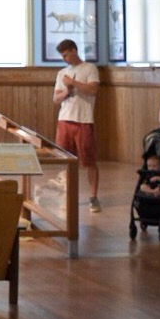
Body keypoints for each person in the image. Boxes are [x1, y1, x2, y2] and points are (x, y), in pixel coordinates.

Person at [52, 38, 101, 212]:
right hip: (65, 120)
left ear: (73, 50)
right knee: (65, 160)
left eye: (66, 54)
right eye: (62, 56)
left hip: (84, 120)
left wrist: (73, 83)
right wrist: (66, 90)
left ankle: (93, 197)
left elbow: (93, 90)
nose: (64, 58)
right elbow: (56, 99)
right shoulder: (62, 73)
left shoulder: (89, 69)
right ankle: (67, 195)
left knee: (89, 161)